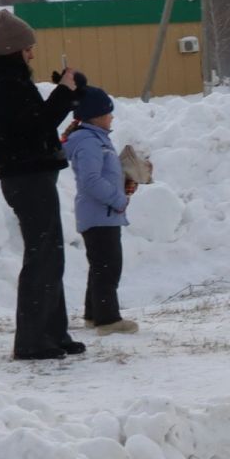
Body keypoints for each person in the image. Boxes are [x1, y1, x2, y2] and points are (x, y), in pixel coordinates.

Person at [0, 9, 86, 361]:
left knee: (50, 254)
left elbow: (35, 121)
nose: (33, 55)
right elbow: (36, 126)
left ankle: (53, 333)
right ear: (14, 50)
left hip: (31, 176)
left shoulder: (9, 82)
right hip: (27, 178)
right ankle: (32, 339)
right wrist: (63, 95)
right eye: (28, 50)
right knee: (42, 256)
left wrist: (64, 93)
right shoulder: (6, 84)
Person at [62, 84, 139, 335]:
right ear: (96, 116)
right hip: (100, 215)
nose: (112, 117)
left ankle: (94, 315)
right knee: (108, 267)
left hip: (102, 214)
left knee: (100, 266)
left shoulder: (96, 139)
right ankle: (108, 321)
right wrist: (118, 200)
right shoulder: (89, 142)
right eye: (108, 113)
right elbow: (91, 180)